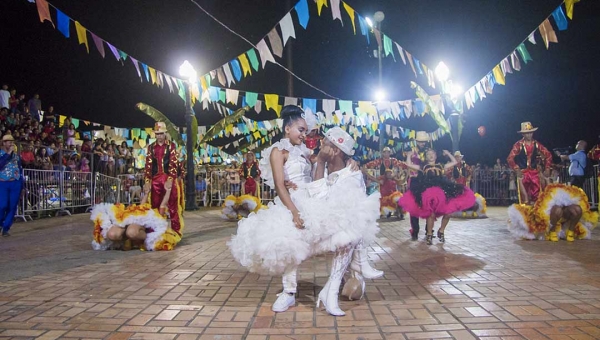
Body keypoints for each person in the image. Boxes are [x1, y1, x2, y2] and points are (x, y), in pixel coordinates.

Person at [228, 106, 379, 316]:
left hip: (312, 200)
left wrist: (350, 160)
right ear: (287, 128)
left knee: (346, 229)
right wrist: (294, 212)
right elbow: (280, 185)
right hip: (291, 204)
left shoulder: (304, 152)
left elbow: (329, 161)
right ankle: (289, 292)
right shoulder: (277, 151)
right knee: (291, 243)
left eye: (306, 130)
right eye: (300, 129)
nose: (304, 134)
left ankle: (342, 277)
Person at [399, 149, 476, 245]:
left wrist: (448, 154)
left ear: (436, 156)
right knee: (430, 213)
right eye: (428, 154)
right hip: (428, 192)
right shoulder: (423, 166)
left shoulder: (441, 165)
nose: (431, 156)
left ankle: (441, 230)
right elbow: (409, 165)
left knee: (448, 213)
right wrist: (409, 156)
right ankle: (429, 234)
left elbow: (455, 162)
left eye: (432, 154)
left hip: (442, 191)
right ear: (426, 157)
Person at [507, 183, 598, 242]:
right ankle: (552, 230)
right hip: (547, 212)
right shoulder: (542, 183)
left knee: (577, 209)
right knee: (557, 209)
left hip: (564, 214)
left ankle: (570, 231)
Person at [144, 122, 183, 237]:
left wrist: (170, 179)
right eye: (157, 134)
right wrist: (147, 181)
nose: (159, 136)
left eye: (161, 133)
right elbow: (148, 166)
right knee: (155, 206)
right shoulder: (151, 147)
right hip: (155, 180)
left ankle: (176, 232)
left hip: (168, 179)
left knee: (173, 206)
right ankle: (155, 232)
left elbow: (173, 163)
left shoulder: (171, 146)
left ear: (165, 133)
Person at [506, 122, 553, 205]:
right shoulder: (518, 145)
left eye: (530, 133)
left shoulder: (536, 144)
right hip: (523, 173)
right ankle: (525, 215)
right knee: (524, 199)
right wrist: (517, 169)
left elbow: (548, 155)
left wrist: (547, 168)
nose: (529, 135)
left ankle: (536, 216)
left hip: (534, 173)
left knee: (537, 197)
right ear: (523, 134)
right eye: (527, 133)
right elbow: (510, 158)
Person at [406, 131, 428, 241]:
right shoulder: (412, 152)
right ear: (416, 142)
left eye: (424, 142)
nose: (422, 144)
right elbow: (408, 166)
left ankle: (429, 229)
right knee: (414, 207)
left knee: (428, 205)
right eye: (420, 142)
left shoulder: (429, 152)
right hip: (415, 180)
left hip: (427, 180)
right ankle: (415, 231)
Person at [0, 135, 24, 237]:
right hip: (3, 183)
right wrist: (8, 153)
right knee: (2, 205)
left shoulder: (16, 156)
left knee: (12, 206)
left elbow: (20, 170)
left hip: (15, 182)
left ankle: (6, 228)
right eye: (8, 141)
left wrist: (22, 186)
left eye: (12, 141)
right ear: (4, 143)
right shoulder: (1, 154)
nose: (10, 143)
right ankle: (1, 223)